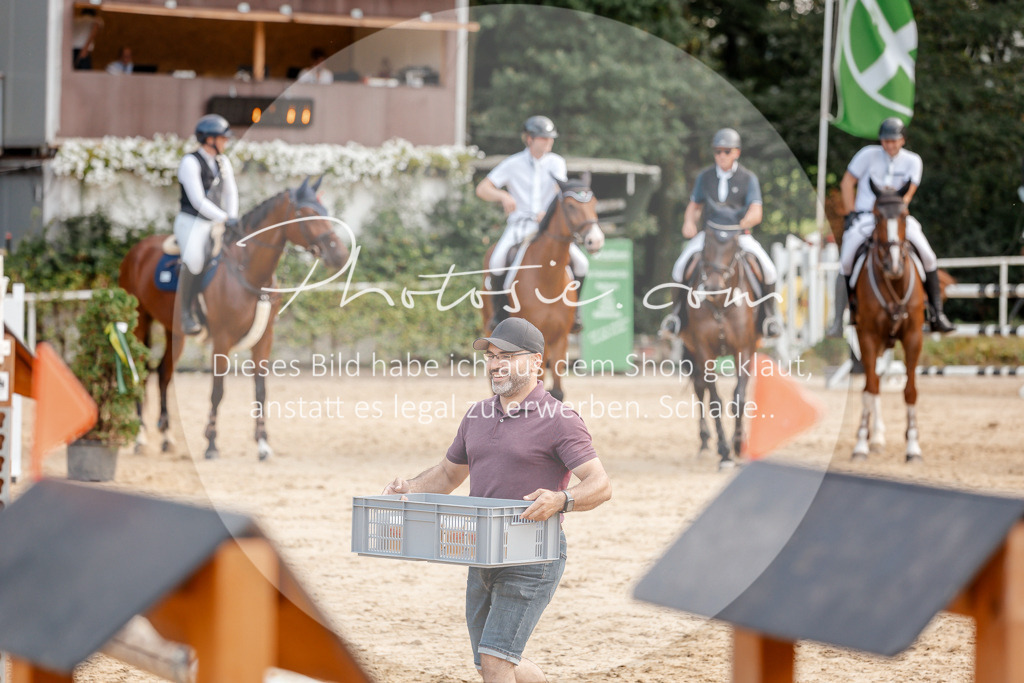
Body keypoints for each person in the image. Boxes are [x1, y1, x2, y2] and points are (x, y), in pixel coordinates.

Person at [382, 317, 612, 683]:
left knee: (495, 659)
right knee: (492, 660)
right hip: (482, 549)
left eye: (507, 355)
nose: (495, 364)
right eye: (490, 356)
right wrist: (409, 487)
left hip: (535, 552)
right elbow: (446, 475)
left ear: (537, 362)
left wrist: (561, 499)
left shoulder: (559, 419)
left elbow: (600, 484)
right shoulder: (476, 415)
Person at [662, 128, 781, 338]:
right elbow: (694, 206)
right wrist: (689, 222)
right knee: (680, 267)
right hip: (710, 235)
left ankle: (768, 318)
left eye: (726, 151)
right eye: (718, 151)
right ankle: (676, 316)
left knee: (769, 270)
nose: (722, 156)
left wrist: (747, 220)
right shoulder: (705, 177)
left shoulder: (748, 178)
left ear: (736, 152)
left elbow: (756, 210)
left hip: (738, 235)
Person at [839, 117, 955, 332]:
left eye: (893, 141)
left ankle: (937, 313)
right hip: (867, 216)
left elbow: (908, 195)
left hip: (897, 217)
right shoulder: (867, 155)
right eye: (885, 141)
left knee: (928, 256)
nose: (889, 145)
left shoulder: (913, 161)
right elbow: (847, 182)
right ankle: (840, 317)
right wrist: (850, 214)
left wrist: (894, 211)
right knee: (846, 259)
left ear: (902, 140)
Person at [475, 116, 589, 332]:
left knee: (582, 263)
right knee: (497, 261)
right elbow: (482, 189)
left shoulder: (556, 162)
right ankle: (501, 312)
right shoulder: (512, 163)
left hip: (547, 227)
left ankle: (575, 311)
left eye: (550, 139)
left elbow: (559, 192)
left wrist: (549, 212)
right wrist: (502, 196)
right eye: (543, 138)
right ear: (529, 139)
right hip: (519, 226)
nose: (548, 143)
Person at [174, 114, 239, 335]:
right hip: (191, 222)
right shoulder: (189, 162)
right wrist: (224, 217)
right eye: (223, 138)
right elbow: (198, 200)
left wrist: (232, 217)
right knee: (193, 260)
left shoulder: (223, 162)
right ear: (209, 139)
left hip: (216, 222)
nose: (226, 142)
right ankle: (185, 313)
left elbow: (231, 192)